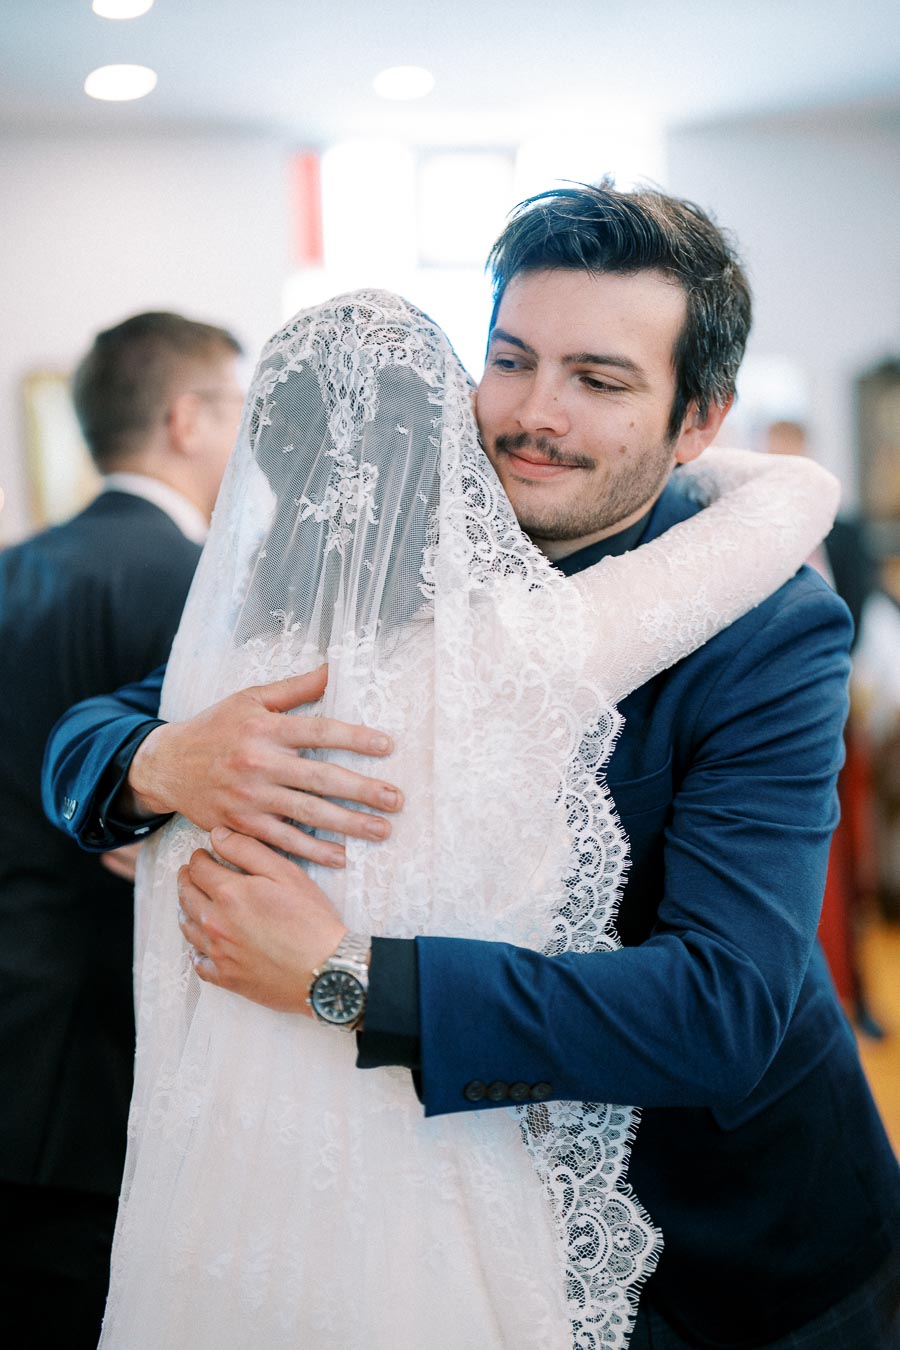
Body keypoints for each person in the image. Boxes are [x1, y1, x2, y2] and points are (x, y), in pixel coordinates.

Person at [44, 186, 900, 1349]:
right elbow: (96, 732)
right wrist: (161, 757)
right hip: (465, 1229)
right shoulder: (401, 555)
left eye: (599, 381)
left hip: (733, 1247)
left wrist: (342, 973)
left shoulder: (766, 625)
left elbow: (723, 1005)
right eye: (511, 362)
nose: (534, 415)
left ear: (698, 421)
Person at [0, 309, 243, 1349]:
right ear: (187, 420)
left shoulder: (17, 566)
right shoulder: (194, 585)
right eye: (242, 412)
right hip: (100, 1036)